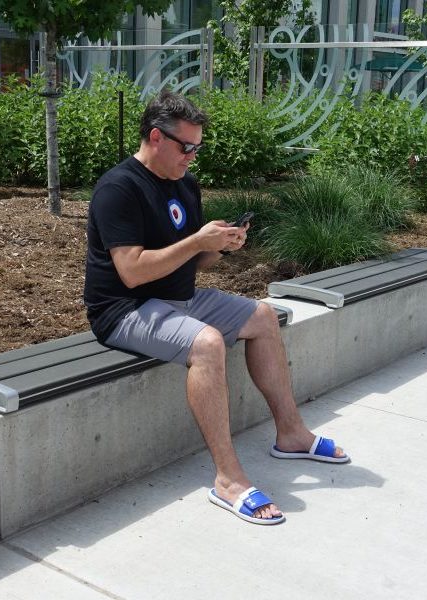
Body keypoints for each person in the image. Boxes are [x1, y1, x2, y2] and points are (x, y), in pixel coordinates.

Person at [84, 90, 349, 526]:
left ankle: (292, 434)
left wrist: (221, 247)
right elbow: (130, 271)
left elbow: (193, 259)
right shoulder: (119, 188)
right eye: (187, 147)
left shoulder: (185, 185)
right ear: (156, 137)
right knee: (206, 344)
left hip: (180, 300)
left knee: (263, 316)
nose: (193, 156)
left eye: (198, 148)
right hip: (125, 310)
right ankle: (229, 479)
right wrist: (196, 241)